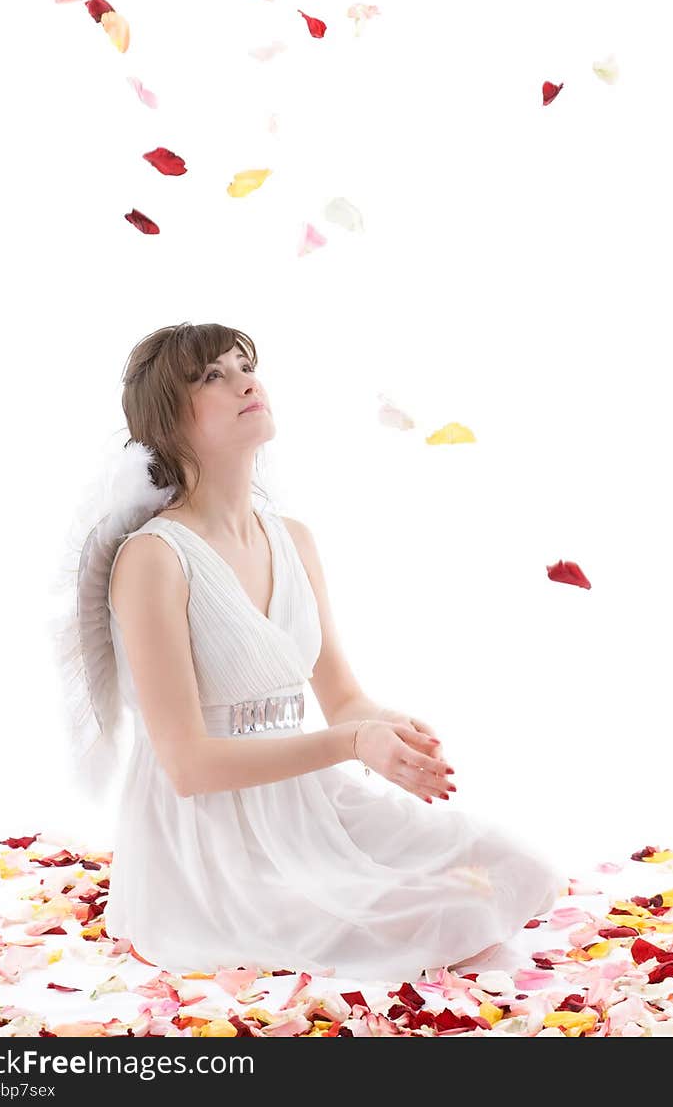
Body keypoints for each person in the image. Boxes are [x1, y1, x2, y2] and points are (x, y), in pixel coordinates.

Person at [73, 321, 565, 980]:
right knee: (447, 916)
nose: (247, 381)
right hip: (207, 844)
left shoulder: (294, 539)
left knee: (518, 868)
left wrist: (391, 731)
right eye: (211, 376)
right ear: (166, 421)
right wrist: (354, 746)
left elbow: (342, 701)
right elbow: (188, 766)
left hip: (308, 805)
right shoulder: (154, 559)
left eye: (245, 365)